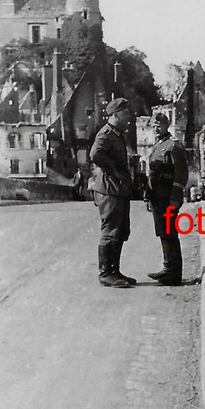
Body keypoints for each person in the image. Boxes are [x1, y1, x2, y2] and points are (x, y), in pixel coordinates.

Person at [90, 97, 136, 288]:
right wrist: (114, 171)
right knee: (110, 230)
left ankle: (114, 271)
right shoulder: (106, 134)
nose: (129, 117)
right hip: (109, 190)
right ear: (115, 115)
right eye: (125, 114)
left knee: (120, 230)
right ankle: (106, 273)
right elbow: (95, 155)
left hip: (117, 189)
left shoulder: (117, 134)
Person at [146, 112, 188, 286]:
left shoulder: (174, 146)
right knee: (163, 232)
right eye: (154, 125)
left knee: (170, 233)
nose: (156, 128)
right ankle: (167, 268)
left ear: (167, 125)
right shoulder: (156, 146)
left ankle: (173, 273)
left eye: (160, 125)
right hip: (157, 197)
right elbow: (151, 174)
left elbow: (181, 174)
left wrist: (175, 198)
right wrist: (148, 196)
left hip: (168, 197)